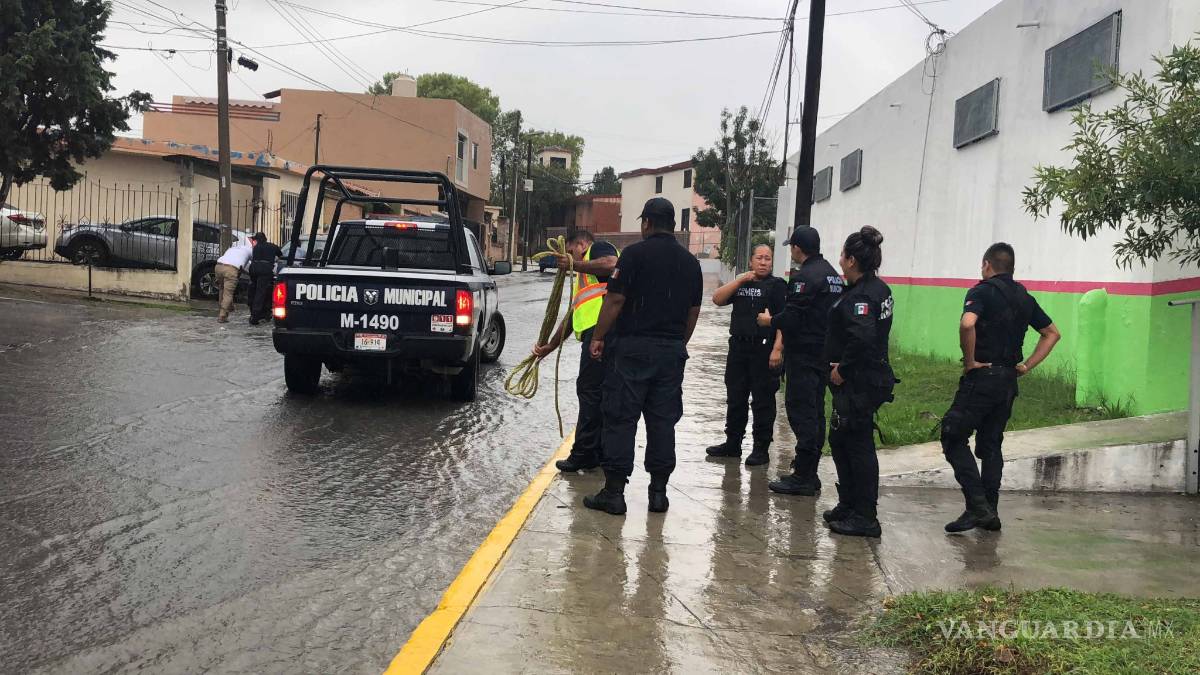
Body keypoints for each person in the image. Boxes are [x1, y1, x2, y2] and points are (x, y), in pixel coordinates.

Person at [584, 197, 703, 516]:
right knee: (663, 422)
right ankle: (658, 493)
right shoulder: (691, 263)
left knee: (621, 418)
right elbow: (694, 311)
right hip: (670, 353)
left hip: (632, 350)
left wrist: (597, 337)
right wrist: (678, 342)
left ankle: (614, 492)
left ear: (647, 223)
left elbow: (615, 301)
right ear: (674, 225)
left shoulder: (634, 255)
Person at [941, 243, 1060, 533]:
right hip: (1008, 380)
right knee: (991, 444)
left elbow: (968, 324)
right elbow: (1052, 334)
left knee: (953, 434)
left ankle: (977, 506)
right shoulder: (1024, 297)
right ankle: (990, 513)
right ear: (1012, 267)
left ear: (987, 265)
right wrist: (1026, 365)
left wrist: (970, 362)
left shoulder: (981, 291)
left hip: (982, 378)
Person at [757, 227, 844, 495]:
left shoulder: (803, 277)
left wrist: (769, 321)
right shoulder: (833, 275)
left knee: (801, 411)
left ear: (798, 248)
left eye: (792, 247)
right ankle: (810, 470)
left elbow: (793, 317)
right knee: (816, 411)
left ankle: (804, 476)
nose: (791, 252)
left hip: (805, 355)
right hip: (825, 354)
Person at [823, 226, 894, 538]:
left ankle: (865, 515)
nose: (839, 260)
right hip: (868, 376)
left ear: (851, 260)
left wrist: (844, 369)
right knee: (841, 440)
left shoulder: (864, 295)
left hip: (860, 381)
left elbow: (864, 336)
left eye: (842, 255)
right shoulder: (876, 288)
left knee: (857, 444)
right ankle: (849, 504)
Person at [532, 230, 619, 472]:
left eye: (570, 251)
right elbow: (573, 315)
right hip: (599, 335)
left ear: (581, 244)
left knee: (590, 392)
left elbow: (612, 264)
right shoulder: (584, 276)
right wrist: (550, 345)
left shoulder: (599, 249)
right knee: (599, 394)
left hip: (602, 335)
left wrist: (574, 263)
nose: (568, 257)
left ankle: (584, 453)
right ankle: (599, 451)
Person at [705, 245, 787, 466]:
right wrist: (741, 280)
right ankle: (733, 444)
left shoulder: (778, 286)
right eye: (759, 258)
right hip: (739, 349)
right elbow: (717, 299)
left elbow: (784, 321)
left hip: (764, 350)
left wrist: (777, 349)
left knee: (762, 401)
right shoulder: (742, 283)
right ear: (751, 261)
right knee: (736, 397)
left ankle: (761, 448)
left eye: (767, 259)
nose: (763, 262)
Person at [213, 238, 253, 323]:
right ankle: (222, 315)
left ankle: (227, 307)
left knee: (222, 289)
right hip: (231, 269)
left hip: (218, 266)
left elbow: (236, 263)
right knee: (228, 293)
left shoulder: (232, 248)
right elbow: (253, 263)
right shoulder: (249, 250)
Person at [248, 232, 283, 325]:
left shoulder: (256, 247)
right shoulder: (273, 246)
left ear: (258, 240)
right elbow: (281, 255)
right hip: (265, 271)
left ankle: (254, 313)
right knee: (261, 292)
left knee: (254, 290)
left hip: (254, 269)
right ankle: (256, 316)